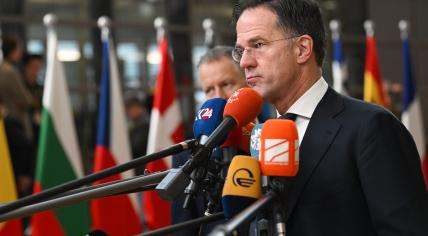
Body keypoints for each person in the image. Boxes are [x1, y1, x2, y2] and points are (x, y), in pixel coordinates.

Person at [232, 0, 428, 235]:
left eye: (259, 44)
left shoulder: (371, 127)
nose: (245, 62)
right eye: (241, 50)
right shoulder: (258, 137)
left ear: (302, 49)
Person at [171, 46, 268, 235]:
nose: (219, 97)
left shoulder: (275, 137)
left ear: (248, 82)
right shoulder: (187, 156)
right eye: (209, 89)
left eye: (226, 84)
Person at [0, 35, 34, 141]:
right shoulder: (10, 71)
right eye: (18, 49)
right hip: (15, 120)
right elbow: (24, 98)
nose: (20, 53)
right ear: (12, 51)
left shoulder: (2, 69)